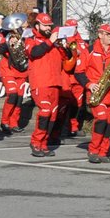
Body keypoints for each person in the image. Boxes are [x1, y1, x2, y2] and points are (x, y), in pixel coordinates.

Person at [81, 23, 110, 163]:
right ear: (100, 35)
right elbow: (79, 72)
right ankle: (93, 150)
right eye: (107, 34)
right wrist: (90, 84)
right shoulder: (89, 50)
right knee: (101, 120)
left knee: (109, 124)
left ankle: (103, 152)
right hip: (97, 91)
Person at [25, 13, 66, 157]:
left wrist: (65, 47)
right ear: (37, 26)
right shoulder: (31, 40)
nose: (48, 28)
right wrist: (50, 41)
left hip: (55, 82)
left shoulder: (54, 43)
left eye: (49, 25)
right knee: (45, 112)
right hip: (40, 82)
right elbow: (35, 52)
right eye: (45, 25)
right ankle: (36, 142)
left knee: (52, 116)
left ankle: (44, 143)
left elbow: (67, 61)